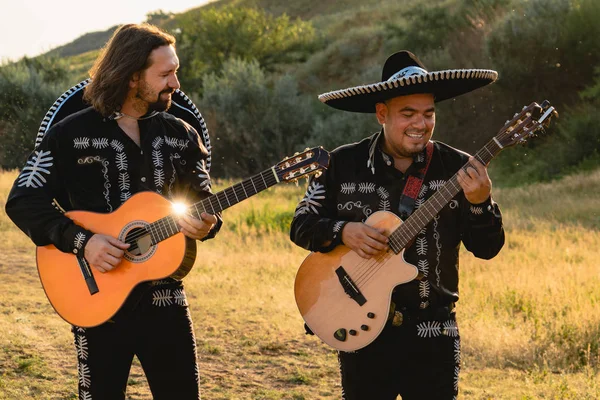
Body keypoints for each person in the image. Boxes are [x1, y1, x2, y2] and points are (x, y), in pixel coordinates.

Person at [5, 23, 221, 399]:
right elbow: (23, 199)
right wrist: (83, 242)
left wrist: (206, 223)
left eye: (176, 71)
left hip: (166, 299)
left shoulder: (182, 134)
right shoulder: (70, 134)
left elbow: (204, 199)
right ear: (133, 76)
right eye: (166, 73)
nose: (176, 84)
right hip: (96, 299)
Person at [290, 50, 505, 399]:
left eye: (428, 113)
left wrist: (481, 203)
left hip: (434, 332)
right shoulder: (341, 164)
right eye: (408, 114)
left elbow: (487, 249)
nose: (420, 124)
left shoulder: (458, 167)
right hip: (361, 331)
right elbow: (301, 224)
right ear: (381, 113)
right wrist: (343, 231)